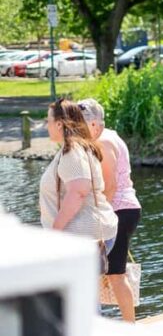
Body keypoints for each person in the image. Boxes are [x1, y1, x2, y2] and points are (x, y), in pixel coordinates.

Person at [78, 98, 142, 323]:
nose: (77, 131)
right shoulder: (109, 136)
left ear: (94, 124)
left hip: (118, 211)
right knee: (113, 272)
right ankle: (126, 325)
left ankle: (129, 326)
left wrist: (93, 218)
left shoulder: (103, 142)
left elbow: (110, 186)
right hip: (123, 210)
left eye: (81, 125)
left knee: (115, 274)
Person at [39, 98, 118, 260]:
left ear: (60, 124)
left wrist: (54, 232)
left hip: (82, 237)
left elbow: (78, 192)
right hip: (88, 234)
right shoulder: (78, 147)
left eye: (48, 121)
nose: (47, 125)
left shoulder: (72, 151)